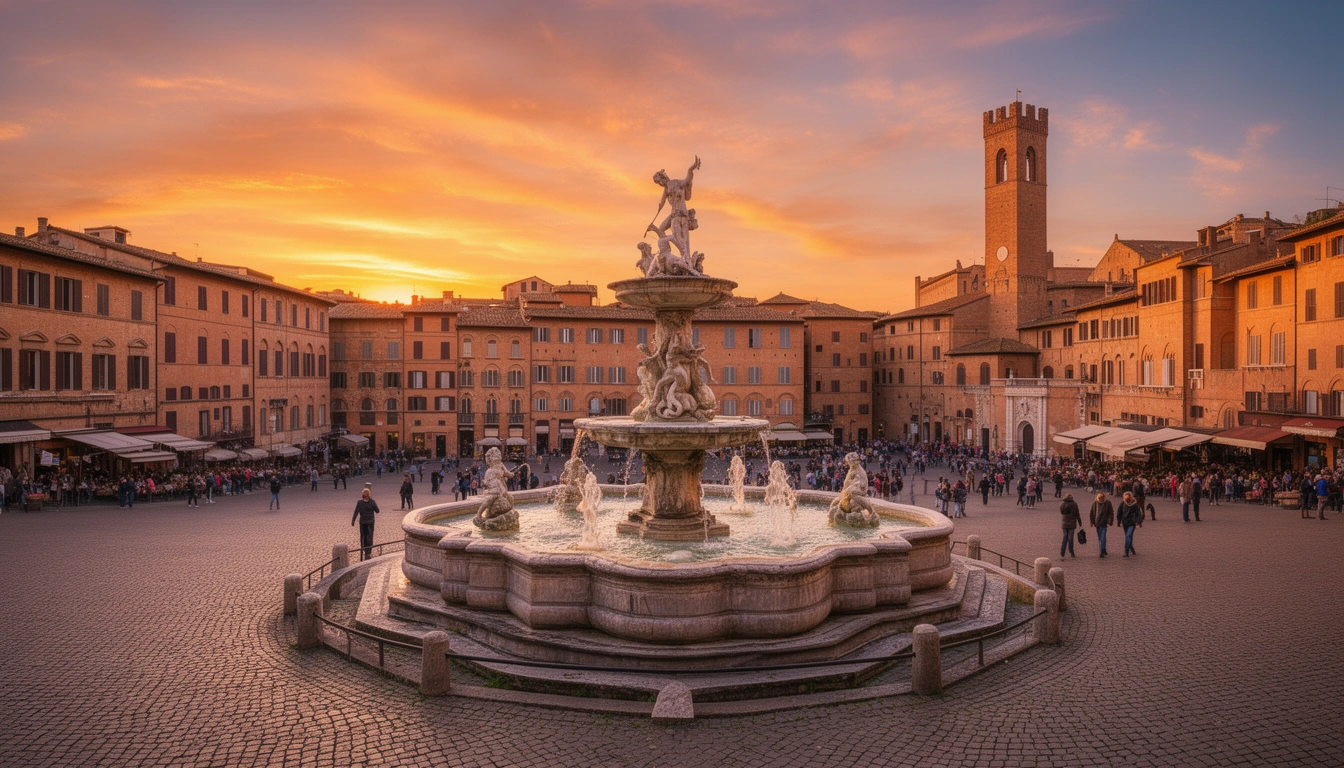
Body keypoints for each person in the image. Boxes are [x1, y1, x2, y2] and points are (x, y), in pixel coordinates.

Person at [351, 487, 380, 561]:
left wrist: (353, 520)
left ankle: (363, 550)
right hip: (370, 522)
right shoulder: (372, 502)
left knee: (363, 536)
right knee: (370, 536)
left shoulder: (359, 502)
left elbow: (356, 512)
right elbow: (377, 511)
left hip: (363, 522)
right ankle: (368, 552)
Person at [1089, 491, 1114, 558]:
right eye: (1099, 498)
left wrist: (1109, 522)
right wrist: (1091, 522)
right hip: (1097, 523)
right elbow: (1091, 513)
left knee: (1102, 537)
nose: (1100, 499)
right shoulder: (1095, 503)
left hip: (1104, 523)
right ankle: (1103, 549)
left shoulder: (1108, 503)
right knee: (1100, 537)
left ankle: (1101, 552)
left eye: (1101, 498)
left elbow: (1111, 513)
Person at [1117, 491, 1142, 557]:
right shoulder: (1122, 504)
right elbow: (1119, 513)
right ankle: (1132, 549)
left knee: (1128, 536)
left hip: (1132, 523)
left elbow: (1138, 514)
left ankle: (1126, 551)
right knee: (1129, 536)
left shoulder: (1135, 504)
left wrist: (1139, 521)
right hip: (1125, 522)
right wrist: (1119, 521)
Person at [1059, 493, 1081, 558]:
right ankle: (1071, 552)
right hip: (1072, 522)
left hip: (1064, 522)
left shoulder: (1062, 504)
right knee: (1070, 538)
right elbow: (1077, 514)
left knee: (1065, 537)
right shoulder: (1074, 504)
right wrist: (1080, 523)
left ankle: (1062, 552)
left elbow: (1061, 512)